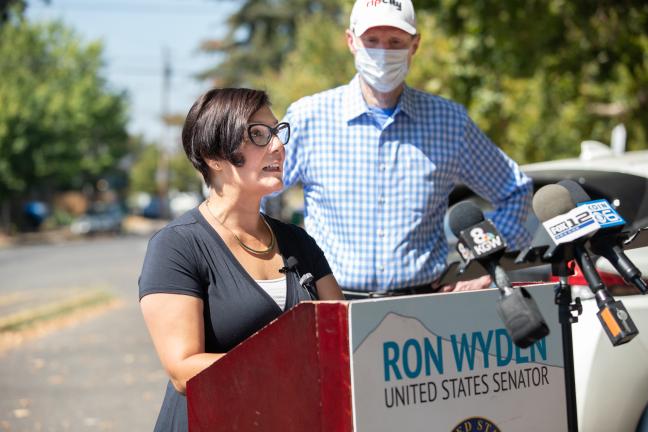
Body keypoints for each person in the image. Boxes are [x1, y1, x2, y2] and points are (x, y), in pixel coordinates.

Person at [280, 0, 532, 296]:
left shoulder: (449, 122)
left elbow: (515, 191)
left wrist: (481, 266)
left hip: (424, 307)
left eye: (395, 41)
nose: (383, 52)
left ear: (415, 45)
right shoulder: (308, 118)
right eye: (372, 40)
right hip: (332, 304)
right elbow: (251, 195)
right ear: (351, 41)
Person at [139, 88, 344, 432]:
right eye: (258, 134)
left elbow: (343, 333)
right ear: (213, 155)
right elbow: (182, 369)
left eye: (278, 132)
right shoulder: (176, 246)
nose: (278, 146)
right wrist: (290, 368)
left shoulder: (298, 241)